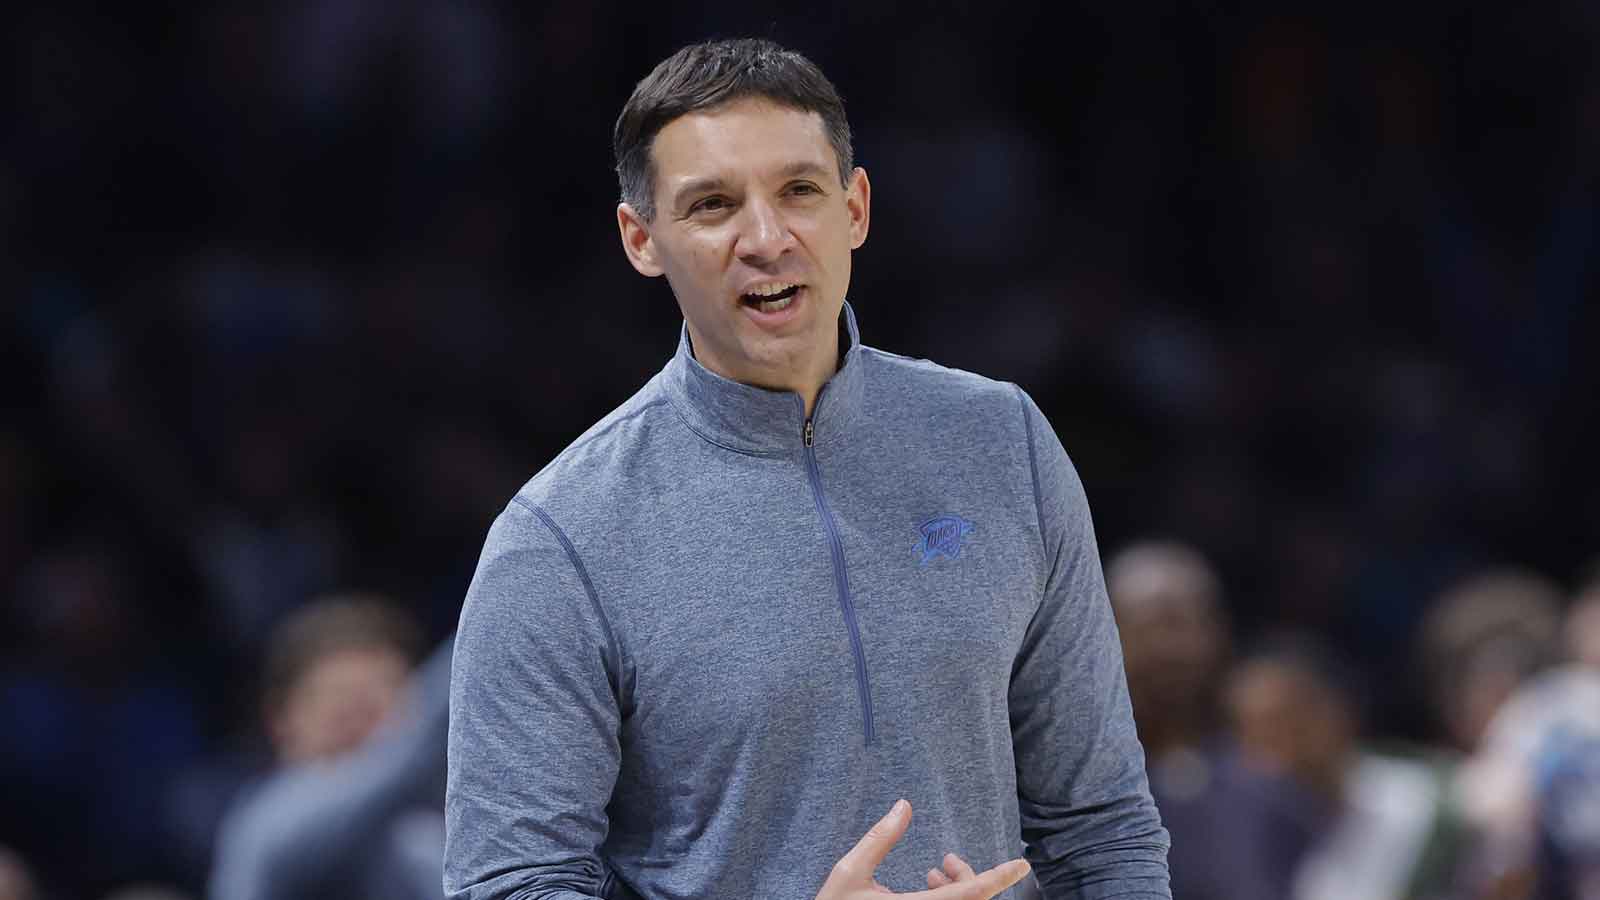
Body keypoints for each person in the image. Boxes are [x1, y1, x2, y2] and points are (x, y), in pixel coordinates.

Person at [445, 38, 1169, 900]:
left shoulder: (1002, 440)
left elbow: (1103, 828)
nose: (766, 237)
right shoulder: (561, 537)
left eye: (799, 191)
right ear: (642, 240)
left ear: (855, 209)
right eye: (713, 205)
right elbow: (511, 886)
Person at [208, 596, 452, 900]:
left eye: (381, 702)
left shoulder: (430, 833)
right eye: (344, 707)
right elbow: (404, 761)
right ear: (280, 719)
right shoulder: (267, 825)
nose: (369, 735)